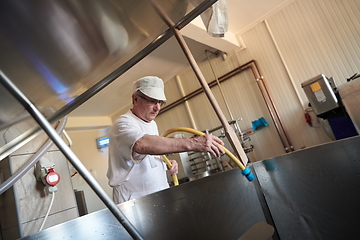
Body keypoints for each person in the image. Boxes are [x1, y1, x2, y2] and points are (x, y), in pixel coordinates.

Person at [107, 76, 225, 204]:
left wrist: (165, 164)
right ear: (135, 99)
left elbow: (149, 156)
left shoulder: (152, 124)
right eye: (152, 101)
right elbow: (141, 145)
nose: (157, 108)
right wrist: (194, 143)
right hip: (134, 200)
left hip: (159, 195)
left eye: (160, 102)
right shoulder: (122, 123)